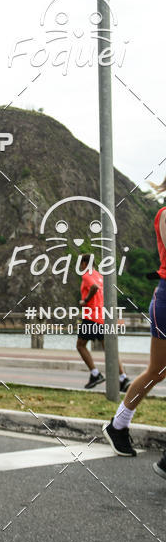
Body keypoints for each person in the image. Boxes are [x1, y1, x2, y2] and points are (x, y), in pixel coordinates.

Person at [103, 185, 166, 462]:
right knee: (156, 371)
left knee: (158, 372)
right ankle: (118, 425)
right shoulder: (165, 214)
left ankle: (117, 426)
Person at [75, 253, 129, 391]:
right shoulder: (100, 276)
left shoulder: (87, 275)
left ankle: (95, 374)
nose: (80, 266)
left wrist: (85, 301)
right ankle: (123, 378)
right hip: (103, 317)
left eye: (80, 264)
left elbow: (94, 288)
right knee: (109, 349)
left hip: (91, 317)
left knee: (80, 345)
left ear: (84, 264)